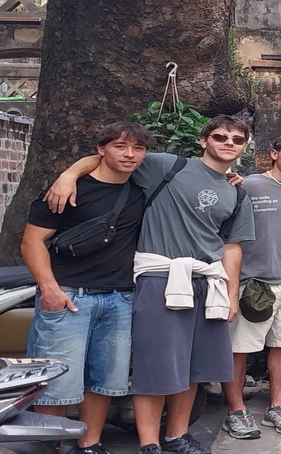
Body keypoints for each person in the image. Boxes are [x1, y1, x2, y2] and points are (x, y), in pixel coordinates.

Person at [46, 115, 257, 454]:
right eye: (220, 136)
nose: (228, 143)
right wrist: (69, 174)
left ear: (244, 146)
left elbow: (233, 247)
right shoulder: (167, 166)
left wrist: (232, 294)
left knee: (193, 367)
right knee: (156, 365)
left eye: (236, 139)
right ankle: (149, 443)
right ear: (204, 140)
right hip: (159, 278)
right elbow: (109, 158)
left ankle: (177, 435)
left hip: (206, 282)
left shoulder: (237, 193)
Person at [23, 122, 153, 454]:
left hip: (120, 298)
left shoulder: (140, 191)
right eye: (120, 146)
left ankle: (89, 443)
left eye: (137, 148)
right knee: (57, 380)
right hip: (69, 296)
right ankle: (51, 445)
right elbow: (32, 242)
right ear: (101, 149)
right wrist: (49, 289)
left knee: (105, 380)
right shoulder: (68, 190)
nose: (129, 154)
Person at [222, 132, 281, 439]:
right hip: (254, 283)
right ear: (273, 154)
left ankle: (277, 406)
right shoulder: (248, 184)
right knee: (239, 350)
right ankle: (235, 411)